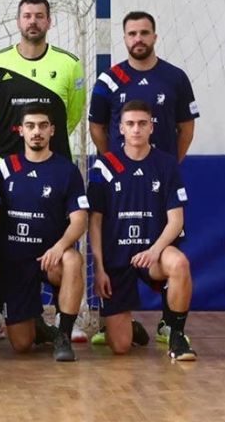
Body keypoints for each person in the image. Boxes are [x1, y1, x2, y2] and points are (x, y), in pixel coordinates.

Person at [0, 0, 86, 343]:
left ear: (49, 21)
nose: (33, 21)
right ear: (18, 21)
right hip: (5, 167)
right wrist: (12, 148)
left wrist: (45, 147)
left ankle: (67, 317)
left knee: (62, 243)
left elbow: (72, 114)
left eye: (39, 15)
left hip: (53, 167)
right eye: (27, 15)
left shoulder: (69, 64)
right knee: (0, 244)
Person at [89, 11, 200, 344]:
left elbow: (187, 128)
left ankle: (170, 325)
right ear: (124, 38)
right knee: (116, 249)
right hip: (120, 183)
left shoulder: (175, 77)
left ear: (154, 36)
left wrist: (167, 166)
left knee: (171, 254)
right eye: (132, 33)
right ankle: (115, 323)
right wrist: (117, 164)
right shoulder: (110, 79)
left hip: (159, 179)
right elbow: (97, 126)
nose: (138, 39)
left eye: (144, 33)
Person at [87, 100, 196, 361]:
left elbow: (176, 220)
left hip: (153, 255)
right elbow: (95, 222)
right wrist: (99, 268)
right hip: (117, 258)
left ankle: (177, 336)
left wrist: (154, 251)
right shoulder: (104, 166)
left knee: (179, 263)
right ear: (121, 128)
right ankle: (130, 327)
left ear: (151, 127)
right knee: (120, 347)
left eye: (142, 123)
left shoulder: (167, 164)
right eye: (130, 124)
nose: (136, 129)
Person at [0, 104, 88, 361]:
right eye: (31, 126)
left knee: (72, 259)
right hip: (16, 262)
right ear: (20, 130)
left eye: (43, 126)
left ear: (52, 130)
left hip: (51, 259)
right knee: (21, 345)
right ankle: (39, 326)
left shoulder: (66, 170)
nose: (37, 132)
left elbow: (80, 220)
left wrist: (59, 247)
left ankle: (63, 335)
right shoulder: (6, 168)